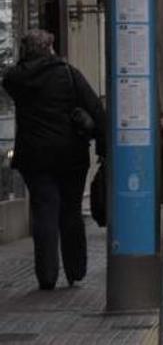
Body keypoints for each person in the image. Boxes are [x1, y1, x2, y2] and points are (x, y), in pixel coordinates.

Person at [2, 29, 106, 290]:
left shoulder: (15, 79)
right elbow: (95, 109)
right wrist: (103, 146)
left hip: (34, 157)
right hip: (70, 155)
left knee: (44, 212)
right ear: (49, 48)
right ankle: (75, 270)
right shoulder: (68, 74)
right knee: (70, 211)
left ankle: (46, 276)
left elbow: (15, 76)